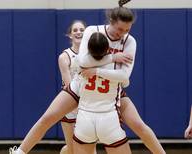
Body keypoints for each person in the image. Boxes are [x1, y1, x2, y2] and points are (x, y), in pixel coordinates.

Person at [9, 1, 165, 153]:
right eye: (120, 29)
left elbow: (124, 77)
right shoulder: (93, 30)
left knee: (139, 125)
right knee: (48, 117)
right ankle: (20, 151)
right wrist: (112, 58)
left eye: (127, 30)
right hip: (81, 84)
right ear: (111, 21)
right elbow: (81, 61)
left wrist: (96, 70)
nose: (122, 33)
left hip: (110, 90)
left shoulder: (130, 42)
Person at [58, 20, 86, 154]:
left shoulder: (91, 54)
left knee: (88, 147)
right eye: (75, 30)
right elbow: (69, 87)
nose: (78, 32)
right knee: (72, 148)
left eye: (81, 29)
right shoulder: (64, 57)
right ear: (70, 35)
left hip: (87, 104)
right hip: (70, 105)